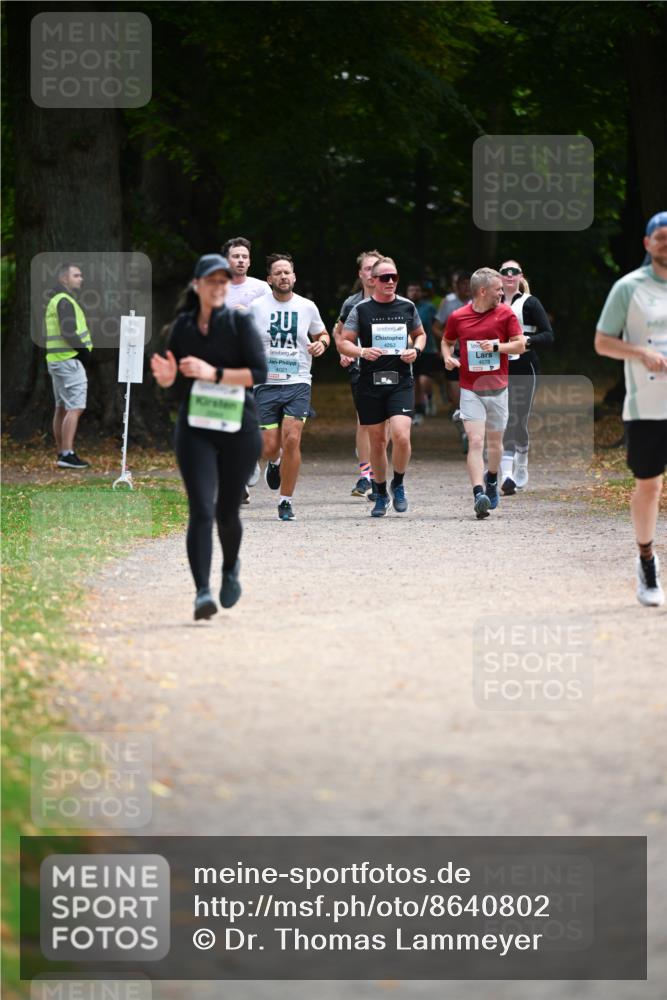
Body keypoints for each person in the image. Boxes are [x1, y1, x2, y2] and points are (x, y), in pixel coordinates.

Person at [150, 254, 267, 619]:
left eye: (223, 281)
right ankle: (202, 592)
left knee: (226, 512)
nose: (218, 287)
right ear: (197, 285)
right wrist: (168, 379)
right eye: (212, 281)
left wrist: (212, 373)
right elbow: (174, 390)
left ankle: (230, 568)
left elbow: (258, 373)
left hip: (238, 429)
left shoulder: (238, 322)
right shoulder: (182, 328)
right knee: (201, 509)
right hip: (196, 429)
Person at [594, 210, 667, 607]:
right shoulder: (629, 287)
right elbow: (602, 342)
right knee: (649, 486)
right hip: (647, 405)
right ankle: (646, 559)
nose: (666, 244)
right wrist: (640, 353)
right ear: (647, 243)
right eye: (661, 237)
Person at [339, 256, 426, 517]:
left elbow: (420, 334)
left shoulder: (407, 306)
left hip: (401, 381)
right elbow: (344, 341)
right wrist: (361, 351)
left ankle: (397, 483)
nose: (390, 281)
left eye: (394, 277)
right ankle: (380, 492)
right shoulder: (361, 309)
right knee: (377, 441)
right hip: (370, 382)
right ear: (373, 280)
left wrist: (416, 350)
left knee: (401, 435)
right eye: (385, 277)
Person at [250, 253, 329, 521]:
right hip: (266, 384)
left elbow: (322, 333)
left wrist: (322, 344)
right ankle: (275, 461)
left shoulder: (307, 306)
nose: (283, 277)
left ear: (294, 277)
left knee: (292, 439)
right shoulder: (256, 307)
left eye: (287, 272)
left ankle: (285, 501)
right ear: (269, 279)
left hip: (298, 380)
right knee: (269, 447)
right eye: (278, 273)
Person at [442, 267, 525, 519]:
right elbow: (447, 341)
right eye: (497, 289)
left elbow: (520, 345)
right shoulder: (458, 316)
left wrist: (497, 346)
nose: (502, 293)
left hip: (498, 389)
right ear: (482, 291)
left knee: (495, 444)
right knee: (476, 441)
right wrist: (448, 358)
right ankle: (479, 494)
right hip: (471, 389)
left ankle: (492, 478)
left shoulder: (505, 313)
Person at [498, 260, 555, 494]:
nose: (510, 275)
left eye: (514, 272)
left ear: (521, 276)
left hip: (525, 365)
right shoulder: (492, 302)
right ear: (499, 277)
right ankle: (506, 475)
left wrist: (528, 340)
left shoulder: (530, 303)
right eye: (505, 272)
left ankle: (521, 460)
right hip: (499, 366)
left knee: (518, 418)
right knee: (504, 417)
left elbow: (549, 335)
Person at [333, 249, 385, 497]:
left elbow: (410, 333)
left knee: (384, 423)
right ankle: (366, 476)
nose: (372, 273)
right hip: (360, 368)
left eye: (376, 268)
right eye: (367, 268)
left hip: (389, 368)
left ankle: (378, 471)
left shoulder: (393, 301)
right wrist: (344, 352)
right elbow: (338, 333)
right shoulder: (351, 303)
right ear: (361, 274)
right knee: (364, 420)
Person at [44, 262, 93, 468]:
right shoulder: (64, 301)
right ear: (64, 279)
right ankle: (67, 454)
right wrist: (83, 353)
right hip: (69, 360)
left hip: (57, 360)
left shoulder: (56, 300)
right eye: (76, 275)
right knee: (76, 407)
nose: (81, 279)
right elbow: (68, 331)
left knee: (62, 407)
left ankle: (62, 452)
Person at [405, 280, 438, 425]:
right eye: (411, 290)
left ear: (421, 292)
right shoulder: (403, 307)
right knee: (414, 382)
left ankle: (429, 397)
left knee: (425, 380)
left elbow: (436, 327)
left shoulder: (429, 307)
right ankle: (418, 411)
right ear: (407, 292)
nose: (414, 293)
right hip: (408, 350)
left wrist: (442, 347)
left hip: (428, 349)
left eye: (417, 290)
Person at [221, 236, 271, 309]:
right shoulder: (217, 289)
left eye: (244, 257)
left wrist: (247, 313)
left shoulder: (262, 288)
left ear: (249, 262)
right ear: (226, 261)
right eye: (236, 256)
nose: (241, 260)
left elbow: (271, 313)